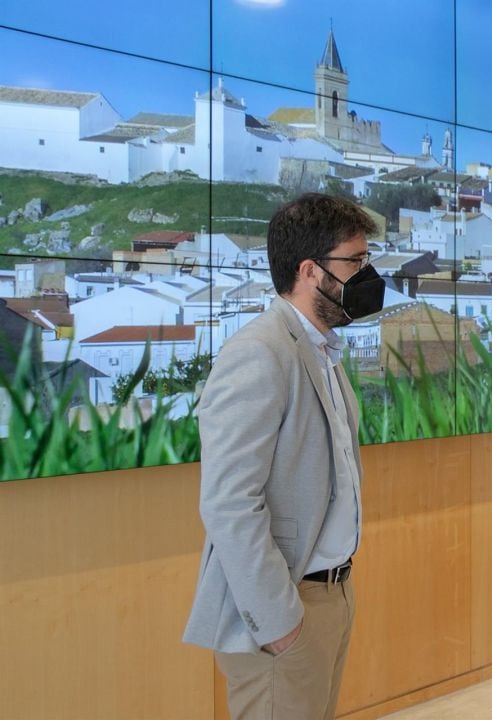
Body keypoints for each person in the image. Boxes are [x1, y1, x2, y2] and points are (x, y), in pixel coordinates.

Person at [183, 193, 385, 719]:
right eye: (355, 262)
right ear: (310, 271)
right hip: (285, 608)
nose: (367, 275)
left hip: (330, 594)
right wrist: (278, 620)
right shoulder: (259, 352)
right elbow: (229, 502)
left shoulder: (322, 352)